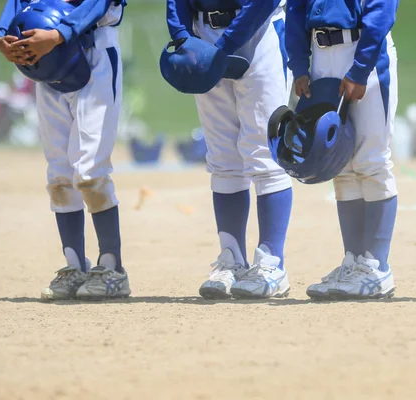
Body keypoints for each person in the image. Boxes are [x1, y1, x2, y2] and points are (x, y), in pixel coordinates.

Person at [0, 0, 131, 300]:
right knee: (59, 173)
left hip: (93, 52)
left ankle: (112, 268)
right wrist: (2, 35)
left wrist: (59, 34)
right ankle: (74, 266)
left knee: (90, 170)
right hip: (45, 58)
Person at [165, 0, 293, 299]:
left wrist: (224, 46)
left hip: (258, 33)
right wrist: (184, 37)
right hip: (203, 34)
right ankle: (231, 258)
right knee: (222, 158)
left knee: (264, 152)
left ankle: (272, 264)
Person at [286, 0, 400, 300]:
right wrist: (298, 63)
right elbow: (296, 8)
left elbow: (381, 10)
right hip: (320, 56)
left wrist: (361, 68)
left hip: (363, 50)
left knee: (372, 160)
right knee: (340, 163)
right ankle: (353, 262)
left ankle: (377, 268)